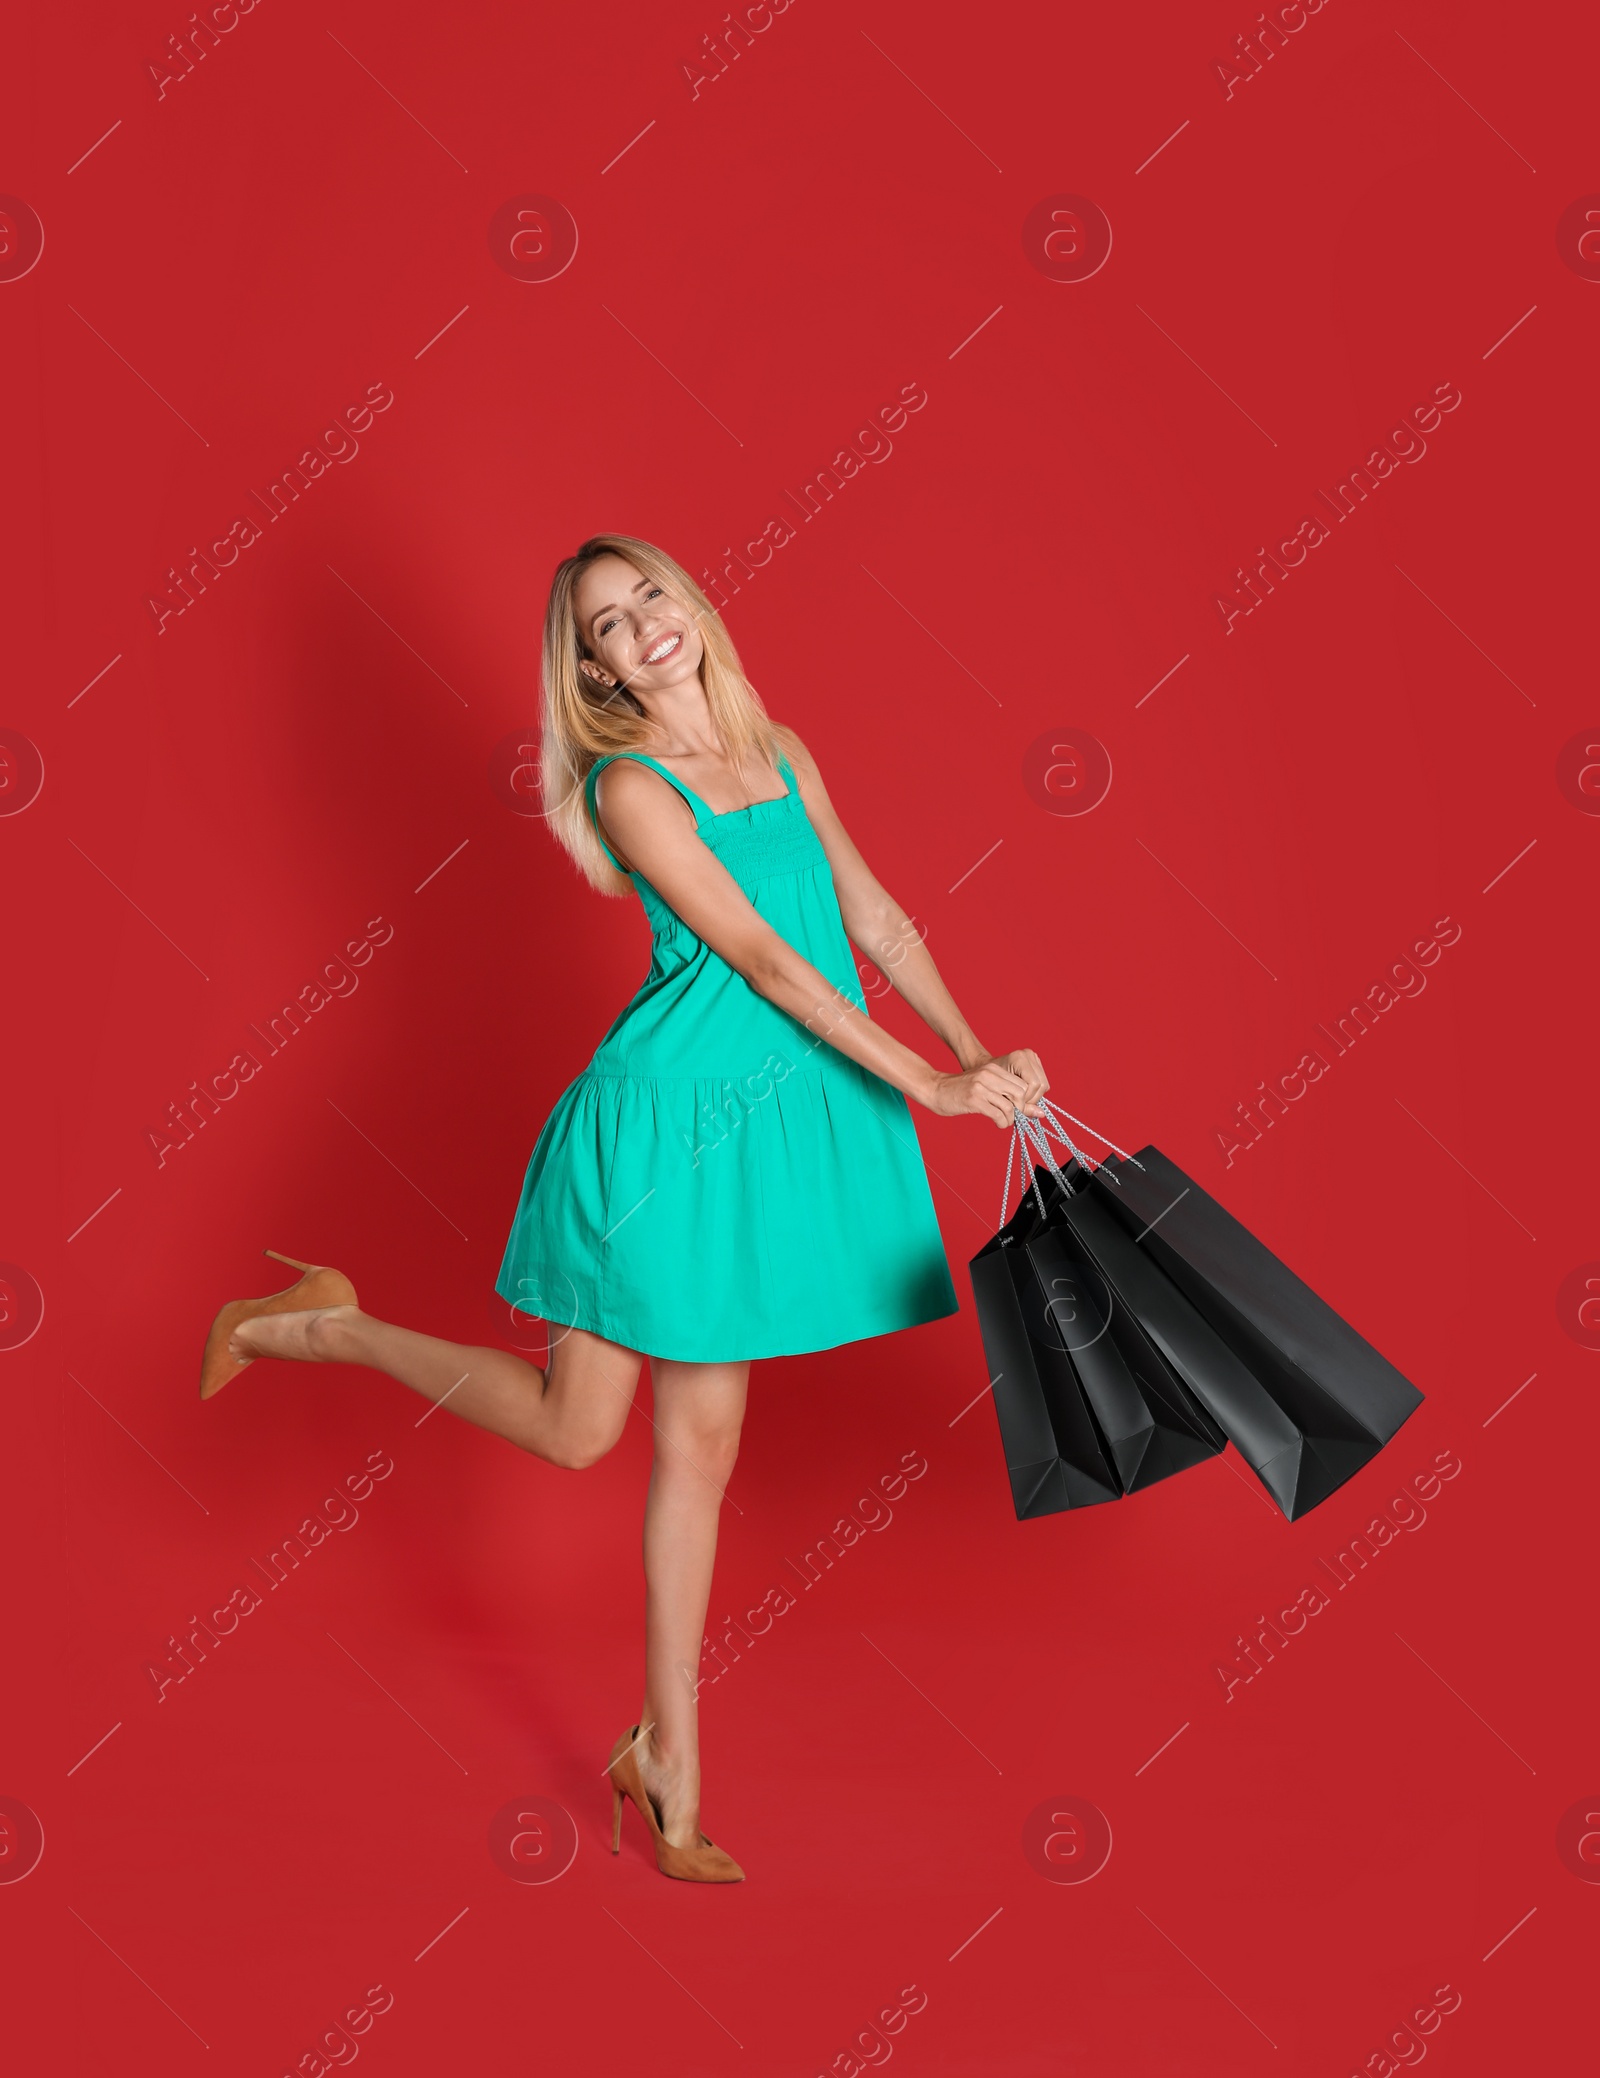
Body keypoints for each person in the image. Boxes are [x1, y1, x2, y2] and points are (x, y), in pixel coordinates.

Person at [199, 532, 1048, 1882]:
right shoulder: (630, 785)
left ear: (691, 602)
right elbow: (772, 959)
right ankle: (327, 1327)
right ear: (591, 670)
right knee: (576, 1432)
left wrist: (981, 1048)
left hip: (760, 1141)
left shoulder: (785, 750)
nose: (640, 622)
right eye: (607, 622)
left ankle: (667, 1766)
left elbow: (872, 920)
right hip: (658, 1139)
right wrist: (936, 1090)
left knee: (697, 1452)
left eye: (649, 591)